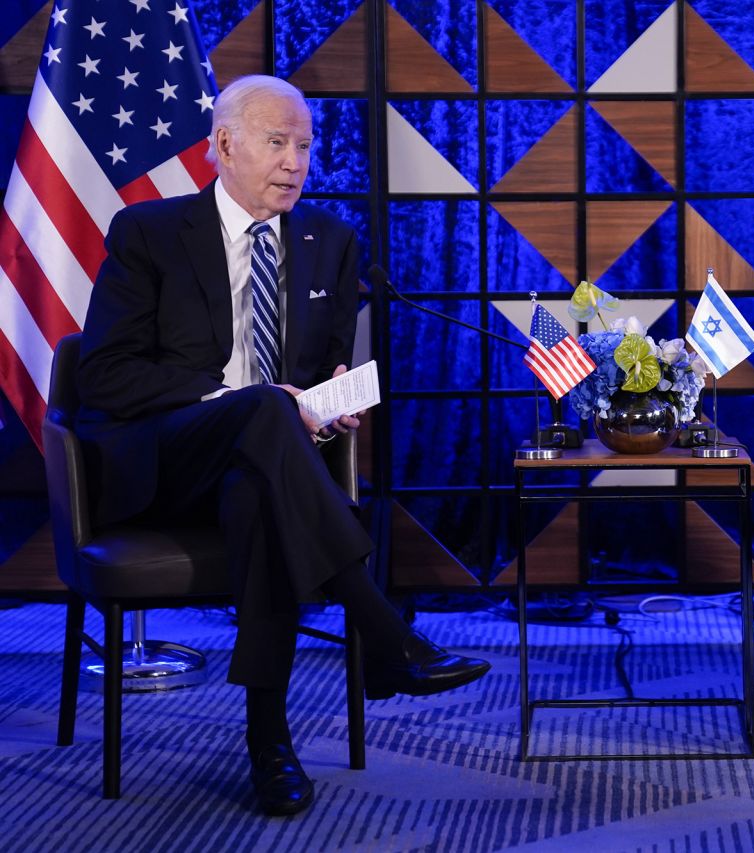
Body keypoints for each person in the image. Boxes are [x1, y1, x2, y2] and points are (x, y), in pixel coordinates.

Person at [75, 75, 490, 817]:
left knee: (259, 484)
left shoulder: (329, 242)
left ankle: (270, 742)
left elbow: (320, 375)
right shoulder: (150, 233)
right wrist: (245, 403)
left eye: (305, 144)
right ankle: (383, 634)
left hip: (265, 464)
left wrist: (332, 406)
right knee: (262, 411)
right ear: (225, 146)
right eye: (278, 142)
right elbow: (104, 376)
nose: (296, 161)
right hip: (164, 459)